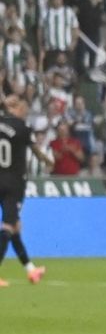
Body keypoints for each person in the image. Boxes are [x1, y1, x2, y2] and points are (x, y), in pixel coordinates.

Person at [0, 96, 53, 286]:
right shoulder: (22, 128)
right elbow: (35, 150)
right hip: (14, 183)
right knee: (7, 226)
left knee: (15, 227)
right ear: (18, 108)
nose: (26, 112)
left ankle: (31, 270)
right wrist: (47, 160)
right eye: (25, 109)